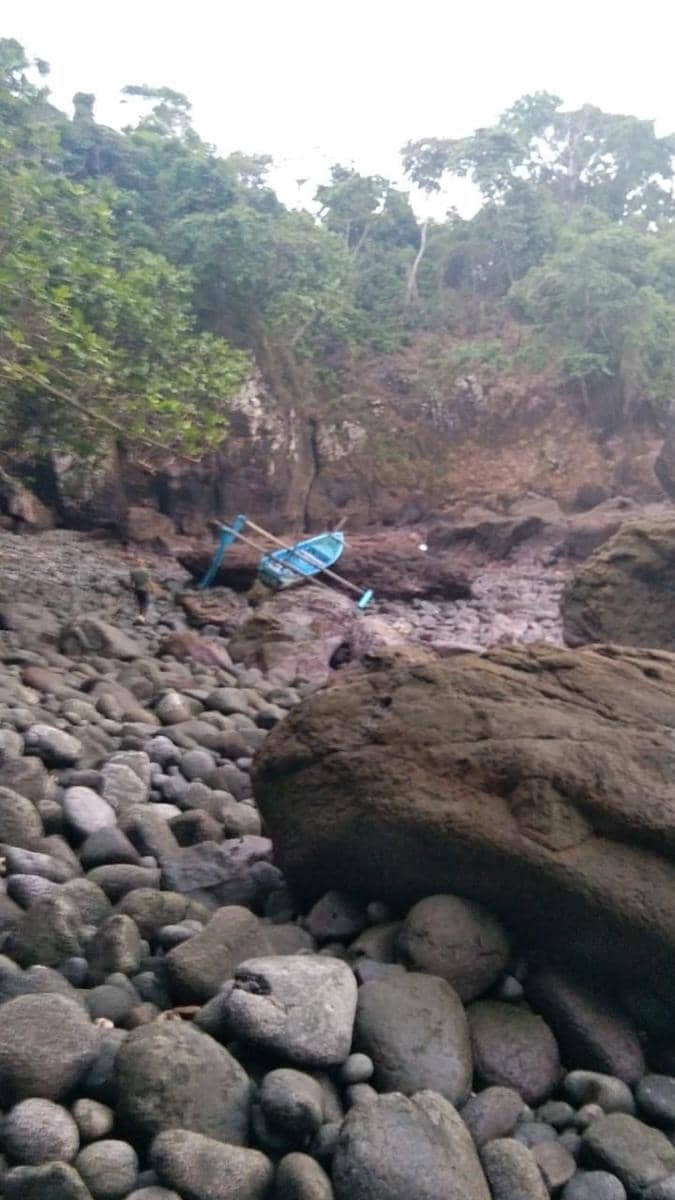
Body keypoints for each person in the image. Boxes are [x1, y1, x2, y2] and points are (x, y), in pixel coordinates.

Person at [129, 557, 155, 623]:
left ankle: (140, 616)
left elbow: (131, 583)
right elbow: (149, 581)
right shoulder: (146, 571)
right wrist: (152, 589)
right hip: (145, 590)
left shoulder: (132, 571)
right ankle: (142, 618)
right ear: (143, 564)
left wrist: (132, 590)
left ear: (136, 563)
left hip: (137, 589)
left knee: (140, 603)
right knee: (145, 604)